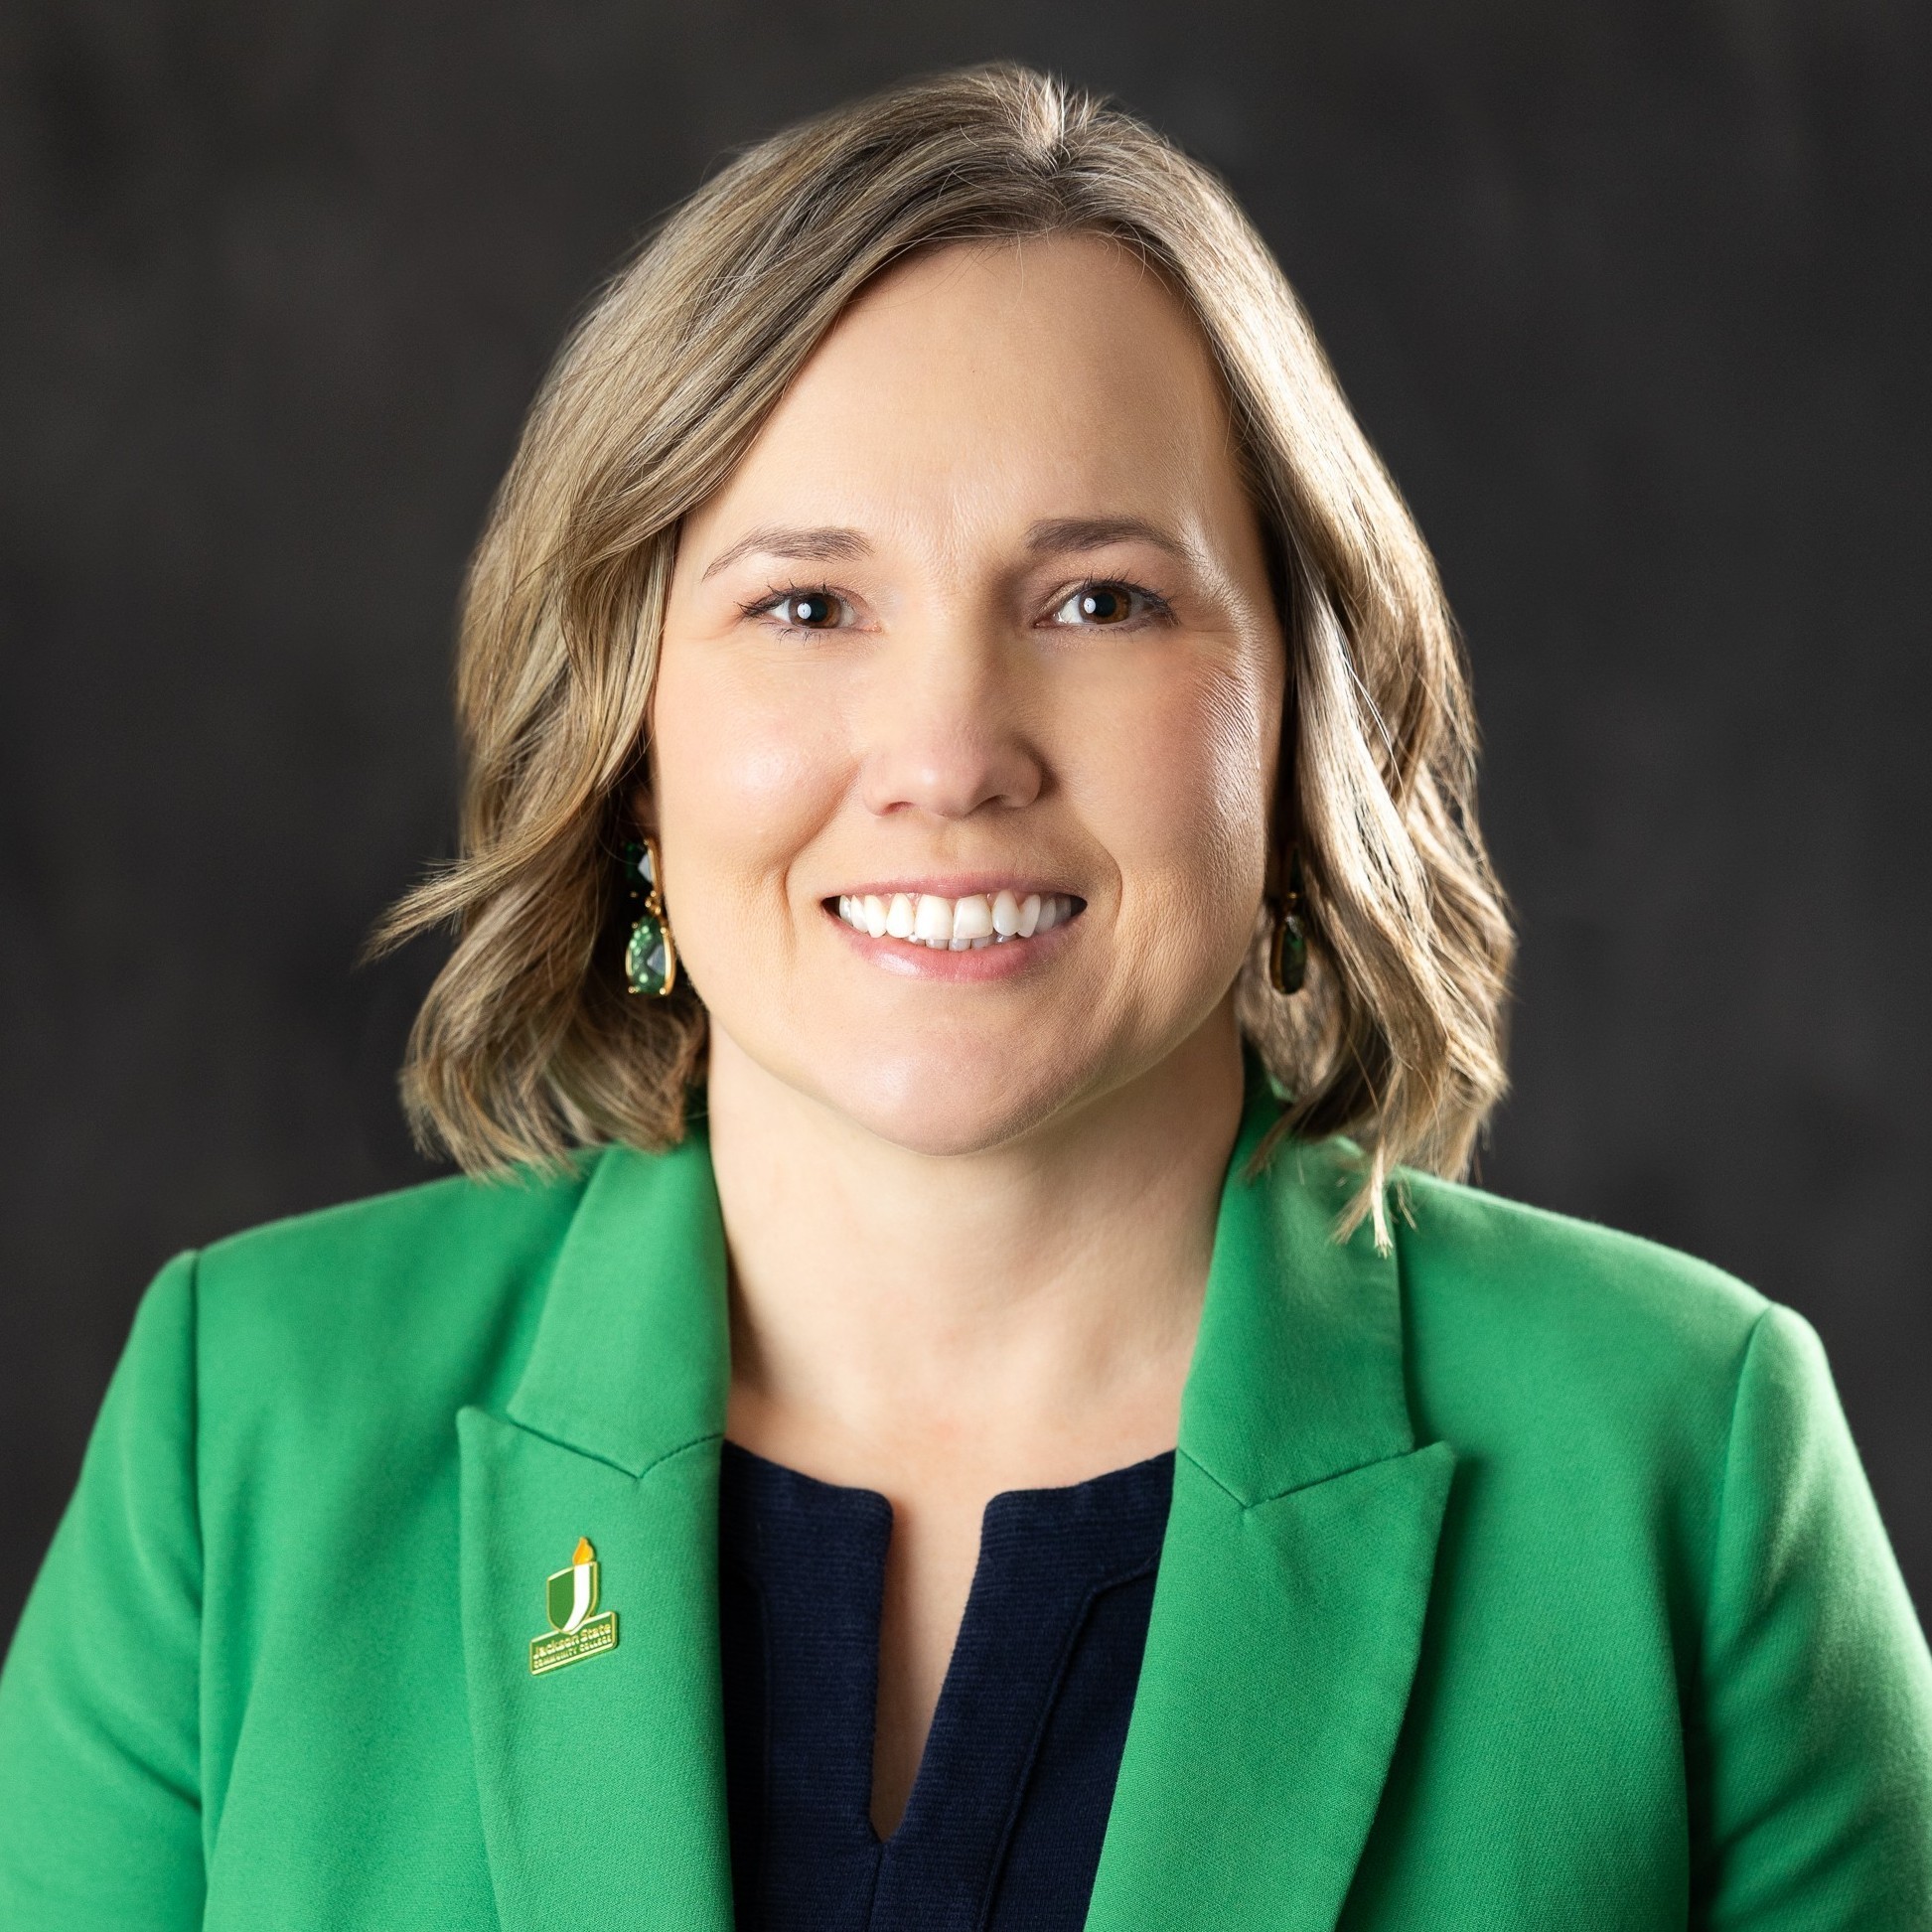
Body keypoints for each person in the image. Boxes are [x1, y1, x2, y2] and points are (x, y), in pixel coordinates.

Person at [1, 63, 1926, 1932]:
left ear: (1301, 721)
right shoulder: (241, 1433)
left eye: (1098, 601)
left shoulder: (1683, 1464)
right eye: (806, 605)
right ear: (629, 740)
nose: (949, 753)